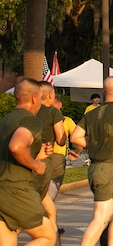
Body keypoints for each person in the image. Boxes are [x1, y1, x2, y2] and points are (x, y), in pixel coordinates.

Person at [71, 76, 113, 246]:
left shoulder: (92, 113)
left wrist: (93, 144)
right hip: (110, 170)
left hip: (97, 169)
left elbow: (75, 136)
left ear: (104, 93)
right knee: (101, 218)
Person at [0, 78, 56, 246]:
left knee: (8, 239)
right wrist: (36, 165)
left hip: (2, 189)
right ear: (33, 98)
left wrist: (35, 156)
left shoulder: (5, 121)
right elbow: (16, 147)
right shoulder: (31, 120)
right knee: (47, 236)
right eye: (40, 98)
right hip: (16, 188)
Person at [33, 81, 66, 238]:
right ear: (51, 95)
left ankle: (53, 240)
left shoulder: (29, 112)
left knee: (50, 209)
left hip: (28, 158)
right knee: (34, 206)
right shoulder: (54, 113)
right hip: (43, 160)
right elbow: (60, 139)